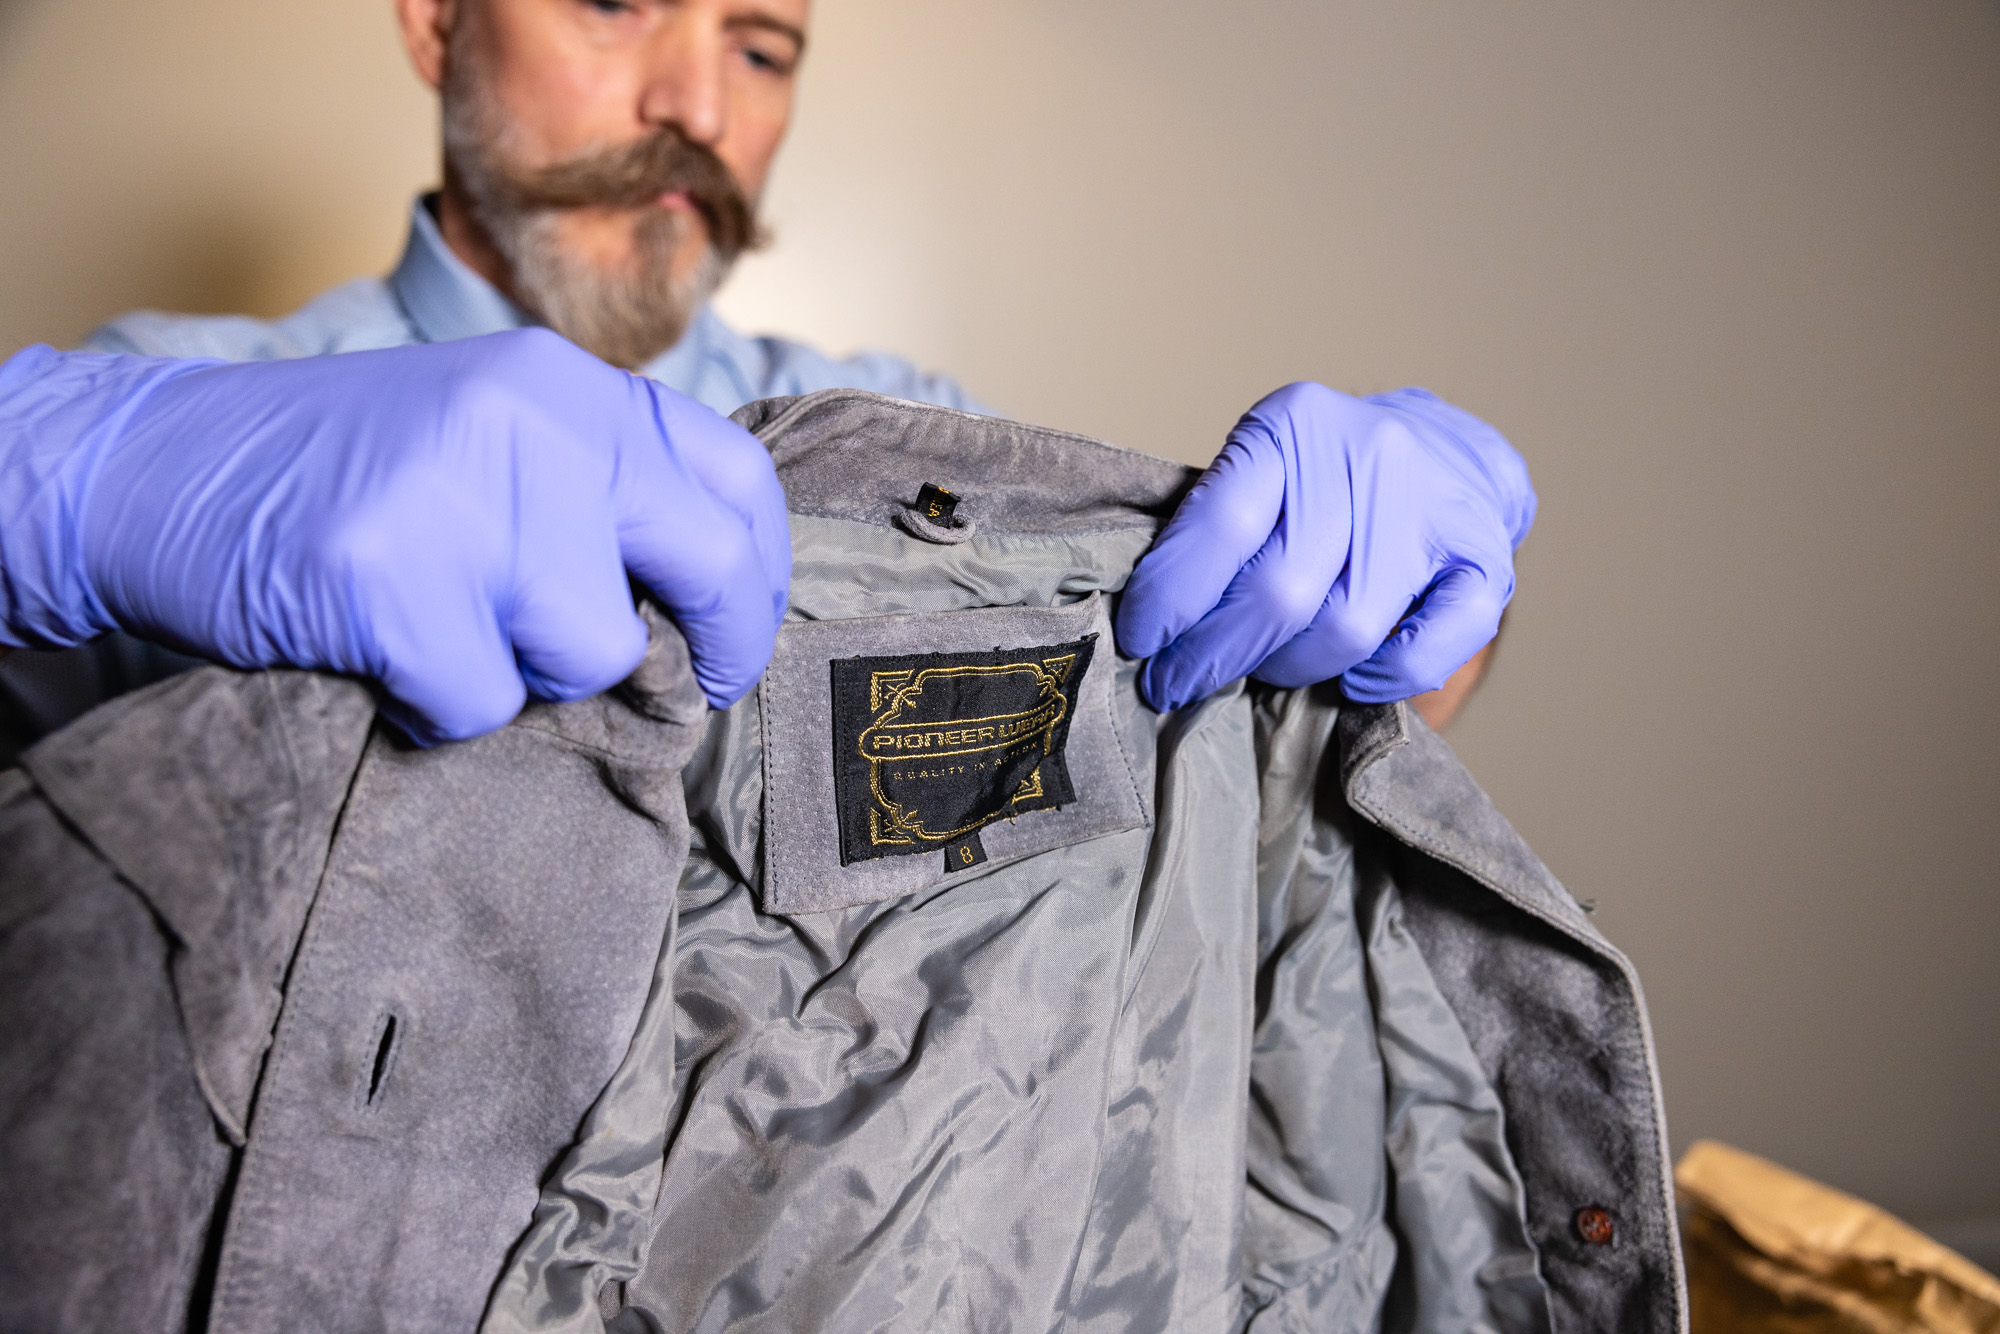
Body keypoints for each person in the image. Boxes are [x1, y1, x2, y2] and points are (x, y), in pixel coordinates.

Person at [0, 0, 1534, 755]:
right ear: (433, 16)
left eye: (762, 45)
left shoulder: (914, 441)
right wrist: (59, 494)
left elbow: (1292, 723)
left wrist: (1416, 587)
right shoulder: (167, 411)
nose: (694, 107)